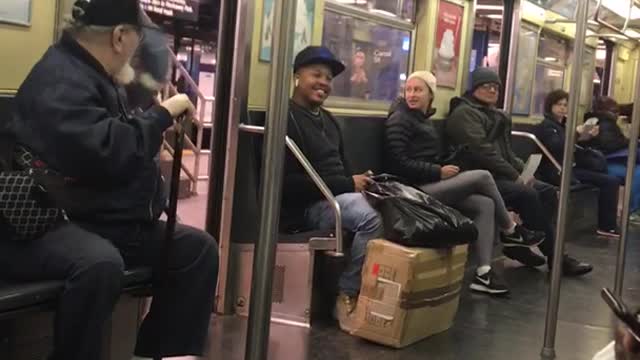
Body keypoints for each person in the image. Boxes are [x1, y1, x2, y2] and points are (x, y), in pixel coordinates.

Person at [0, 1, 218, 359]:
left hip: (95, 215)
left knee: (196, 251)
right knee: (99, 263)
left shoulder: (93, 74)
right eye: (137, 37)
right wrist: (162, 115)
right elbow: (104, 150)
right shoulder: (59, 78)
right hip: (47, 220)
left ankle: (158, 354)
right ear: (119, 37)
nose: (137, 50)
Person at [384, 71, 544, 295]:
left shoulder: (422, 120)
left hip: (428, 181)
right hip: (412, 189)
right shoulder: (400, 119)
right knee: (482, 176)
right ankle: (511, 230)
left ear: (430, 94)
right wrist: (438, 171)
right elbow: (398, 164)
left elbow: (424, 156)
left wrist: (444, 165)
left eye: (418, 90)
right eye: (408, 90)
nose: (412, 94)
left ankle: (484, 273)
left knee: (485, 204)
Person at [444, 67, 593, 277]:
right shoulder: (464, 115)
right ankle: (556, 258)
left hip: (498, 172)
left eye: (496, 87)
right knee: (527, 194)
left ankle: (520, 247)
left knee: (548, 191)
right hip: (477, 175)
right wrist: (515, 176)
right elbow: (482, 153)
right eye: (487, 86)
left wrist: (523, 169)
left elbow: (506, 152)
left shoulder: (496, 115)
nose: (492, 90)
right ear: (475, 88)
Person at [281, 46, 382, 330]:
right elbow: (286, 185)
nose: (323, 83)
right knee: (369, 218)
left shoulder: (329, 120)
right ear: (297, 76)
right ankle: (346, 294)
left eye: (328, 78)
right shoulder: (285, 119)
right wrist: (348, 184)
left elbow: (343, 168)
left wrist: (362, 181)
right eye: (316, 75)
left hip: (337, 197)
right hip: (306, 208)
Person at [535, 89, 621, 238]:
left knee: (606, 176)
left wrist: (587, 136)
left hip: (570, 166)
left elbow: (572, 147)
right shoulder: (547, 127)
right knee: (610, 181)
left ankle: (606, 223)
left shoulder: (561, 126)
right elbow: (557, 147)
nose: (562, 108)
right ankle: (607, 225)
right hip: (557, 170)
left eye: (565, 105)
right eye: (558, 105)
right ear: (550, 106)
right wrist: (576, 133)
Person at [584, 96, 640, 221]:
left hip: (604, 160)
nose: (617, 114)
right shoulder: (606, 123)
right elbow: (609, 144)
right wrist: (629, 142)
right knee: (637, 173)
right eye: (615, 111)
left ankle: (632, 209)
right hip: (606, 162)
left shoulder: (599, 121)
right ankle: (631, 210)